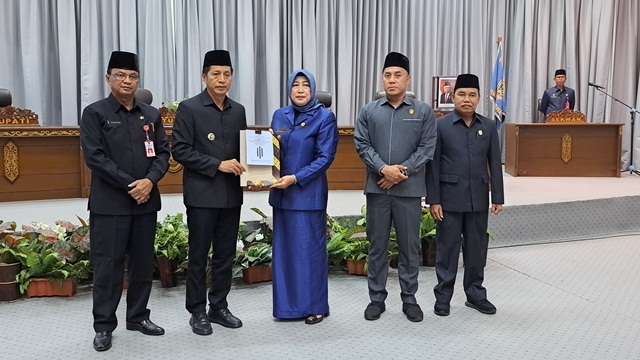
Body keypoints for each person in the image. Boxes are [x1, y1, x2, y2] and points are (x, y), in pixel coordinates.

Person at [80, 51, 170, 352]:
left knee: (143, 264)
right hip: (110, 203)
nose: (127, 81)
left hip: (146, 201)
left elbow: (163, 154)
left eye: (132, 76)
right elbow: (95, 157)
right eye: (120, 75)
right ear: (108, 79)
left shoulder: (151, 114)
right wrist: (131, 184)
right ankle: (104, 326)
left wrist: (149, 181)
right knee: (109, 266)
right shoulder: (94, 113)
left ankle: (138, 317)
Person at [354, 52, 437, 323]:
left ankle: (409, 299)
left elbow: (427, 148)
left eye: (397, 75)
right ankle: (376, 299)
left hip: (409, 191)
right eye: (387, 75)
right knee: (377, 247)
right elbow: (362, 145)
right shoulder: (369, 111)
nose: (392, 80)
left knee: (409, 247)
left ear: (408, 78)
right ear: (382, 79)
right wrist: (383, 169)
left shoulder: (422, 111)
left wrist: (401, 172)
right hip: (378, 190)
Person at [171, 50, 247, 336]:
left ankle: (218, 306)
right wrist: (218, 164)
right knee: (199, 254)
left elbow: (244, 150)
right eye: (215, 74)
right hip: (202, 195)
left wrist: (258, 171)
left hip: (231, 195)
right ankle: (197, 311)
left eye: (227, 74)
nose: (222, 79)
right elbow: (180, 150)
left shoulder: (238, 110)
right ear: (204, 77)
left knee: (225, 255)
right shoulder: (189, 108)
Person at [425, 73, 505, 317]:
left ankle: (475, 295)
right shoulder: (440, 125)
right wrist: (433, 200)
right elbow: (433, 165)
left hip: (478, 199)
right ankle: (443, 298)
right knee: (447, 251)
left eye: (472, 95)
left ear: (479, 98)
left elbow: (495, 162)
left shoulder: (489, 126)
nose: (467, 99)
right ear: (453, 97)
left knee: (476, 251)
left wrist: (497, 197)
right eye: (462, 94)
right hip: (448, 200)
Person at [268, 69, 339, 325]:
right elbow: (270, 151)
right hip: (282, 197)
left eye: (305, 85)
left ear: (312, 90)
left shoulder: (325, 118)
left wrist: (295, 178)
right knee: (285, 255)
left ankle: (316, 306)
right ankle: (287, 308)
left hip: (307, 196)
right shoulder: (280, 115)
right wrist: (260, 173)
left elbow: (324, 158)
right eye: (295, 85)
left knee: (309, 255)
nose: (300, 89)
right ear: (289, 89)